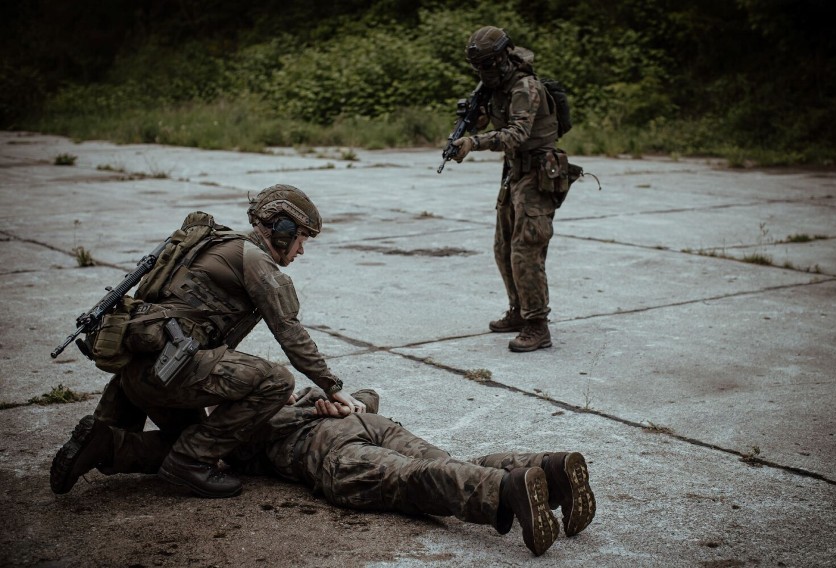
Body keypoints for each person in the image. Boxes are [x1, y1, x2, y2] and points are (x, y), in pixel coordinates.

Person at [51, 184, 366, 499]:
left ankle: (106, 445)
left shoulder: (218, 246)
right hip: (166, 374)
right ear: (282, 230)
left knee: (196, 438)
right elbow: (289, 330)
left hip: (144, 373)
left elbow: (202, 334)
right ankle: (189, 462)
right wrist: (333, 387)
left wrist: (241, 391)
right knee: (277, 382)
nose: (301, 250)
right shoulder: (255, 260)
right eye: (302, 239)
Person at [52, 387, 596, 557]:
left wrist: (111, 448)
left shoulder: (231, 428)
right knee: (442, 461)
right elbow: (365, 395)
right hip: (368, 421)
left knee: (411, 482)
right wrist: (343, 402)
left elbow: (170, 454)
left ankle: (507, 488)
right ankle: (538, 468)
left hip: (329, 453)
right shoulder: (281, 386)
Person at [450, 26, 565, 353]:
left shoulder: (525, 86)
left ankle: (537, 325)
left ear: (503, 57)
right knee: (502, 246)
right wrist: (475, 117)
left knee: (525, 248)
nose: (483, 71)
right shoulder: (496, 86)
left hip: (539, 172)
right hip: (515, 172)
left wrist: (474, 142)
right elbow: (493, 120)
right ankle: (518, 311)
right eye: (479, 67)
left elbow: (515, 133)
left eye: (488, 64)